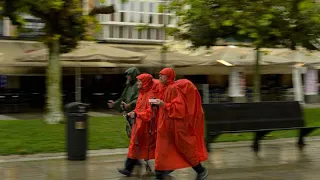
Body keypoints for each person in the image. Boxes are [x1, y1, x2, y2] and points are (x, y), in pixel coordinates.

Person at [152, 68, 208, 180]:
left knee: (183, 148)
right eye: (159, 75)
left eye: (162, 75)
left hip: (175, 125)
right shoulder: (165, 88)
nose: (160, 77)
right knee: (163, 148)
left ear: (168, 77)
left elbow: (179, 108)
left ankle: (200, 169)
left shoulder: (174, 88)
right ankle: (160, 172)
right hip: (166, 124)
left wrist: (163, 104)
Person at [117, 73, 160, 177]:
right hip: (139, 124)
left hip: (146, 127)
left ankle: (162, 169)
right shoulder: (141, 93)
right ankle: (128, 168)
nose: (137, 83)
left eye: (140, 81)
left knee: (139, 146)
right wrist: (131, 113)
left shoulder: (152, 95)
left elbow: (151, 113)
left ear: (145, 82)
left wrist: (136, 114)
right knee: (134, 146)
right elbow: (139, 108)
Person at [108, 67, 140, 137]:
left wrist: (130, 105)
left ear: (133, 75)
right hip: (129, 114)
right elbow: (123, 97)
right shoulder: (129, 86)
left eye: (128, 75)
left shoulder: (138, 85)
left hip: (136, 114)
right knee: (130, 133)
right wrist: (114, 104)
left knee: (136, 134)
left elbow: (139, 98)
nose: (127, 76)